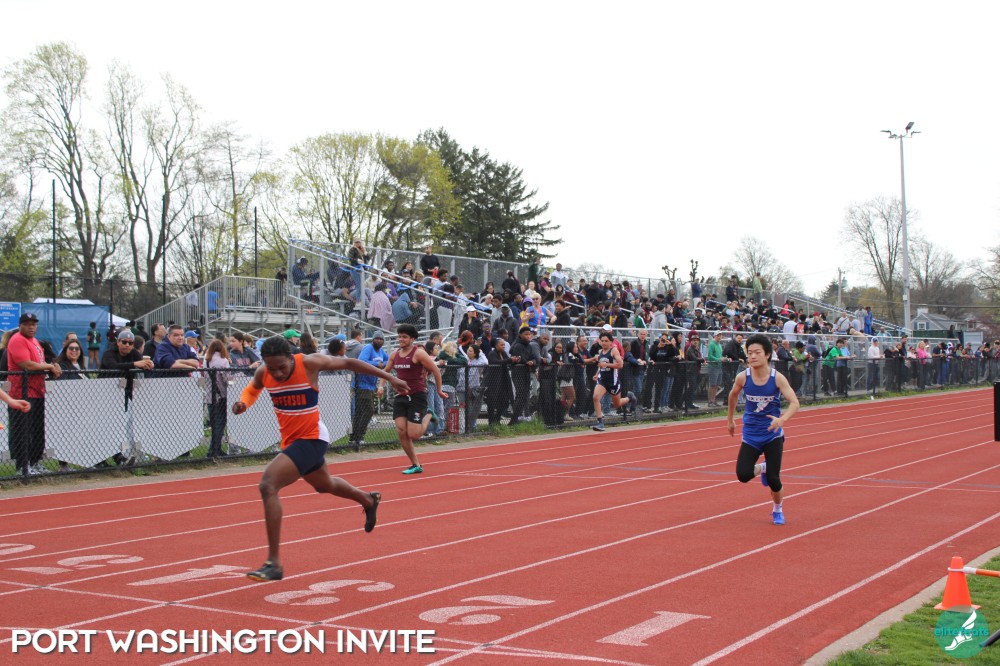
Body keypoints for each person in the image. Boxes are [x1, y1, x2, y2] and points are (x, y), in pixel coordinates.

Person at [233, 336, 408, 582]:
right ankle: (368, 500)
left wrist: (389, 377)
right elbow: (253, 389)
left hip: (313, 437)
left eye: (282, 367)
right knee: (324, 485)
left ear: (291, 357)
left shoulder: (309, 363)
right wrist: (244, 403)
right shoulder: (264, 372)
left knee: (268, 485)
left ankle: (274, 563)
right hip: (292, 440)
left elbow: (349, 363)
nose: (278, 373)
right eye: (272, 369)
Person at [726, 333, 800, 526]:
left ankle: (777, 509)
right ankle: (763, 467)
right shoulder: (743, 377)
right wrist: (730, 420)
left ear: (767, 354)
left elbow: (794, 403)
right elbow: (732, 395)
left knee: (774, 480)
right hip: (751, 434)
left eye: (757, 352)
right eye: (749, 352)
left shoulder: (777, 378)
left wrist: (782, 419)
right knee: (743, 475)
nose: (752, 356)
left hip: (772, 435)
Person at [379, 324, 448, 474]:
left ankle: (429, 414)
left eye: (404, 337)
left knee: (414, 434)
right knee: (401, 431)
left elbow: (436, 371)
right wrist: (381, 386)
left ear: (412, 339)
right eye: (399, 337)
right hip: (401, 396)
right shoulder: (395, 354)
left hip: (416, 396)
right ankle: (415, 464)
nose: (401, 339)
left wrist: (439, 390)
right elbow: (386, 372)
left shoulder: (419, 354)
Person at [6, 312, 61, 476]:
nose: (31, 327)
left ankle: (34, 463)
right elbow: (27, 365)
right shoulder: (17, 340)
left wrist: (52, 367)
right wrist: (49, 367)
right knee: (22, 431)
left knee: (37, 431)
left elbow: (39, 363)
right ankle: (22, 467)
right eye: (27, 324)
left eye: (34, 324)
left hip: (37, 391)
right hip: (21, 393)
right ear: (20, 325)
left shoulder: (35, 341)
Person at [591, 332, 636, 432]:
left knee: (617, 404)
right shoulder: (600, 351)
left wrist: (606, 365)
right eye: (602, 341)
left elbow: (620, 365)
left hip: (613, 382)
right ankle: (600, 422)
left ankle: (630, 397)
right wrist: (597, 373)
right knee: (595, 397)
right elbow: (601, 365)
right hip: (602, 380)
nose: (604, 343)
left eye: (606, 341)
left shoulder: (614, 351)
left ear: (611, 342)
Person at [351, 331, 389, 449]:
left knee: (361, 412)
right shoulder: (368, 348)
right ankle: (359, 437)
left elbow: (389, 361)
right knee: (368, 410)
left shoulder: (381, 351)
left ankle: (354, 438)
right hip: (362, 384)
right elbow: (362, 361)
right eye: (376, 338)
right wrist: (377, 364)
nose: (379, 340)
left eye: (381, 339)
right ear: (373, 339)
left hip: (371, 385)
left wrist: (383, 364)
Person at [204, 339, 231, 457]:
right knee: (220, 423)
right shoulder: (223, 361)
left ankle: (214, 449)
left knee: (214, 424)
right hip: (221, 396)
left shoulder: (206, 360)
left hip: (210, 395)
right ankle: (215, 450)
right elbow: (227, 379)